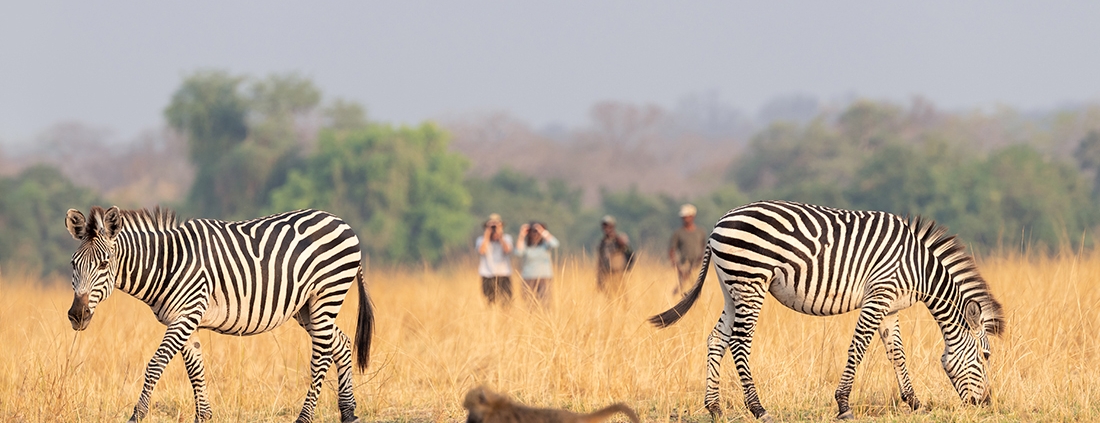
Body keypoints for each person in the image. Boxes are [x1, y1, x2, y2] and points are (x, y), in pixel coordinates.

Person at [515, 221, 560, 307]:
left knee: (545, 303)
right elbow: (518, 252)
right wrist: (522, 235)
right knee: (529, 303)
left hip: (544, 277)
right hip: (528, 278)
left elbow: (555, 244)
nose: (535, 234)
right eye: (532, 231)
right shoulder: (526, 246)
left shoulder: (545, 245)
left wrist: (542, 231)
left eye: (536, 231)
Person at [669, 203, 708, 297]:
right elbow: (672, 251)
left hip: (698, 266)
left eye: (686, 216)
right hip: (683, 265)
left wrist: (700, 261)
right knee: (682, 291)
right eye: (683, 217)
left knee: (699, 290)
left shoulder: (700, 232)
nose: (684, 219)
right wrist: (678, 268)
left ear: (692, 216)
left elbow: (704, 248)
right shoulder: (678, 233)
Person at [476, 213, 513, 306]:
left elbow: (507, 250)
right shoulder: (481, 239)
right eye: (491, 225)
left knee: (506, 301)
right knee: (489, 301)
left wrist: (500, 235)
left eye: (496, 225)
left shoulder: (507, 238)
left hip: (503, 273)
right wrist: (487, 234)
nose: (494, 228)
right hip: (487, 274)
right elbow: (481, 251)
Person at [596, 215, 631, 296]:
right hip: (606, 275)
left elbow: (629, 253)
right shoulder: (602, 243)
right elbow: (600, 261)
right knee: (609, 298)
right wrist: (599, 279)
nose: (606, 228)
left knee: (621, 297)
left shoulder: (619, 240)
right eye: (604, 226)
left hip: (617, 275)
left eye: (609, 226)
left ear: (613, 226)